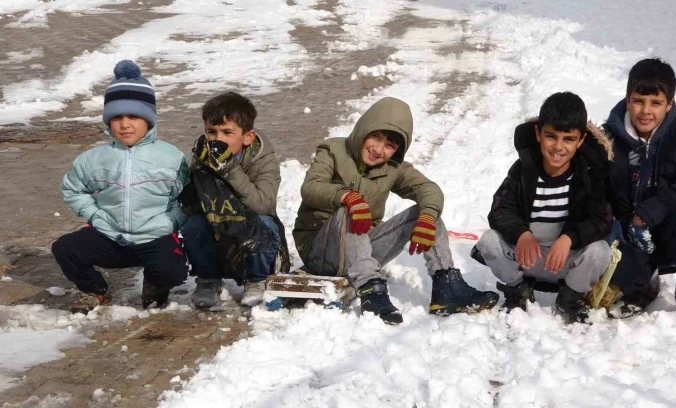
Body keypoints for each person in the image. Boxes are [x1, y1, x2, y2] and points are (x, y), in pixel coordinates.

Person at [292, 96, 499, 325]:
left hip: (363, 250)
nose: (379, 150)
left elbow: (429, 189)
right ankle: (371, 291)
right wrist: (347, 197)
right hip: (320, 251)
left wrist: (428, 217)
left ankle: (446, 286)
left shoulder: (393, 168)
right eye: (376, 137)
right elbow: (311, 187)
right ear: (363, 130)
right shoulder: (332, 150)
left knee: (427, 211)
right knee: (349, 209)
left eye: (389, 145)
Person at [52, 60, 189, 314]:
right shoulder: (94, 158)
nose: (125, 124)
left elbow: (185, 199)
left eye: (134, 116)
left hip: (154, 235)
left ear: (149, 119)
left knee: (173, 269)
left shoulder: (171, 157)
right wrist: (94, 215)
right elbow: (73, 189)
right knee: (65, 248)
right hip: (110, 235)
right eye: (117, 117)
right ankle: (95, 289)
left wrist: (170, 222)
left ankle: (156, 284)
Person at [472, 92, 612, 323]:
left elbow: (601, 219)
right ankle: (519, 290)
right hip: (527, 257)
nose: (558, 147)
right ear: (538, 134)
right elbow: (500, 209)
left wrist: (569, 239)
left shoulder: (588, 175)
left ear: (580, 140)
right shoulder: (524, 169)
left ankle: (570, 295)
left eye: (568, 139)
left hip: (565, 259)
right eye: (551, 136)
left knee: (600, 251)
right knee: (489, 240)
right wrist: (522, 234)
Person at [604, 58, 676, 318]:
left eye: (655, 103)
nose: (646, 111)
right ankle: (644, 283)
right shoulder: (608, 138)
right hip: (626, 229)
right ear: (627, 99)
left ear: (669, 104)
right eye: (638, 101)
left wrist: (649, 213)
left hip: (665, 223)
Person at [181, 92, 287, 308]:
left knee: (263, 225)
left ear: (247, 137)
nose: (217, 139)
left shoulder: (263, 158)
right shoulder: (202, 153)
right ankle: (208, 280)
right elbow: (191, 206)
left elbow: (263, 204)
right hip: (217, 223)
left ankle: (256, 280)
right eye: (212, 132)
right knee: (193, 225)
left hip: (251, 223)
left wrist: (229, 169)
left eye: (228, 132)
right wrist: (200, 174)